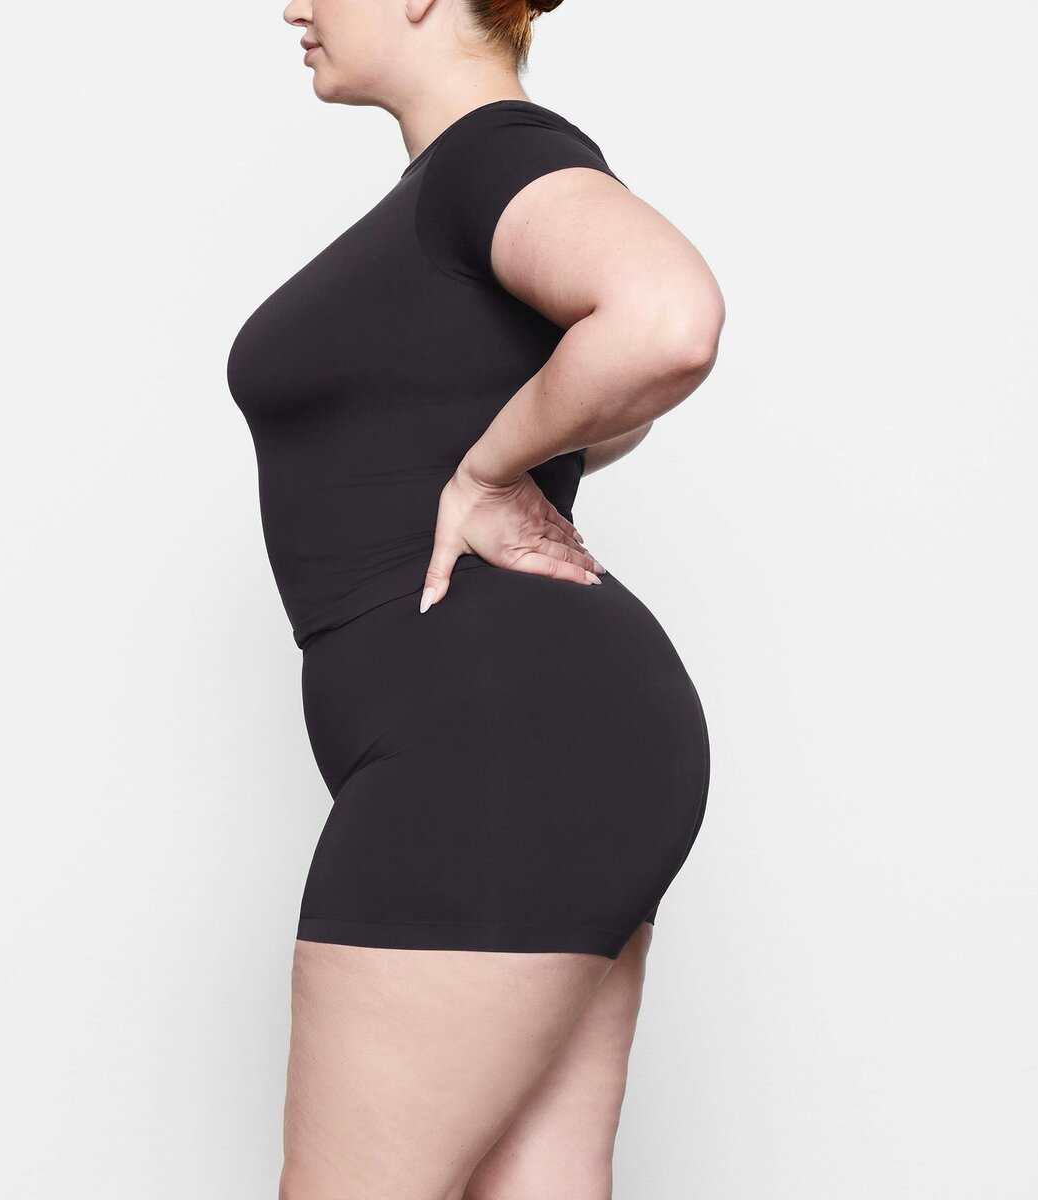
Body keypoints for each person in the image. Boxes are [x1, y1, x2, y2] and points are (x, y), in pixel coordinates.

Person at [225, 0, 725, 1195]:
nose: (294, 6)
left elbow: (666, 319)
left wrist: (491, 470)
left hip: (493, 744)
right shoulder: (459, 195)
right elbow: (594, 385)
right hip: (547, 736)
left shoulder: (491, 159)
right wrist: (508, 442)